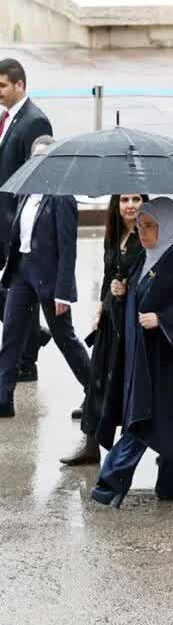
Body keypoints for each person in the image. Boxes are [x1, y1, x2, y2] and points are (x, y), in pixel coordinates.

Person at [93, 198, 173, 506]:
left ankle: (109, 482)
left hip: (166, 365)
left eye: (149, 226)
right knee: (162, 423)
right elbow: (131, 312)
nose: (142, 232)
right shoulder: (141, 262)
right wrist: (120, 295)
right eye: (140, 226)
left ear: (168, 226)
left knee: (142, 422)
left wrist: (163, 320)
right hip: (140, 360)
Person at [0, 137, 90, 417]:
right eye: (35, 158)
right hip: (22, 274)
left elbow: (68, 249)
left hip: (50, 281)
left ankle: (96, 392)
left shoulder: (63, 198)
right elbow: (19, 235)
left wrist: (64, 292)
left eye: (45, 158)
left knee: (65, 339)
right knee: (11, 336)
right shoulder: (27, 193)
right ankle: (3, 399)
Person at [61, 193, 147, 467]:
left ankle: (163, 452)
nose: (130, 205)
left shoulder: (148, 236)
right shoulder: (115, 235)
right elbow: (109, 274)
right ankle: (90, 445)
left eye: (136, 199)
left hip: (133, 324)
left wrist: (128, 288)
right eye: (124, 200)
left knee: (130, 388)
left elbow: (153, 277)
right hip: (111, 320)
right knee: (98, 381)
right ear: (116, 205)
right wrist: (102, 306)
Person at [0, 57, 53, 383]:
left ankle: (27, 355)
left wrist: (18, 226)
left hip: (16, 225)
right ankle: (33, 336)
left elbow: (33, 180)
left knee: (21, 290)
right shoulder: (8, 119)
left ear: (20, 85)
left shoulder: (35, 122)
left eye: (3, 85)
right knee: (12, 290)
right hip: (2, 220)